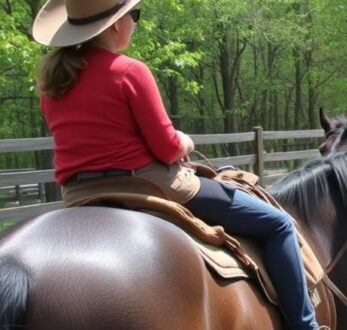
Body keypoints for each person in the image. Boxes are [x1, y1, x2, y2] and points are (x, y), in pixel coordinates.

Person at [31, 1, 318, 329]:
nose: (135, 23)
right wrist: (185, 141)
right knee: (278, 224)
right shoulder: (129, 71)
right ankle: (305, 325)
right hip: (149, 184)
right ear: (114, 25)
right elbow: (167, 149)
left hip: (78, 195)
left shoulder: (54, 85)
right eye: (134, 15)